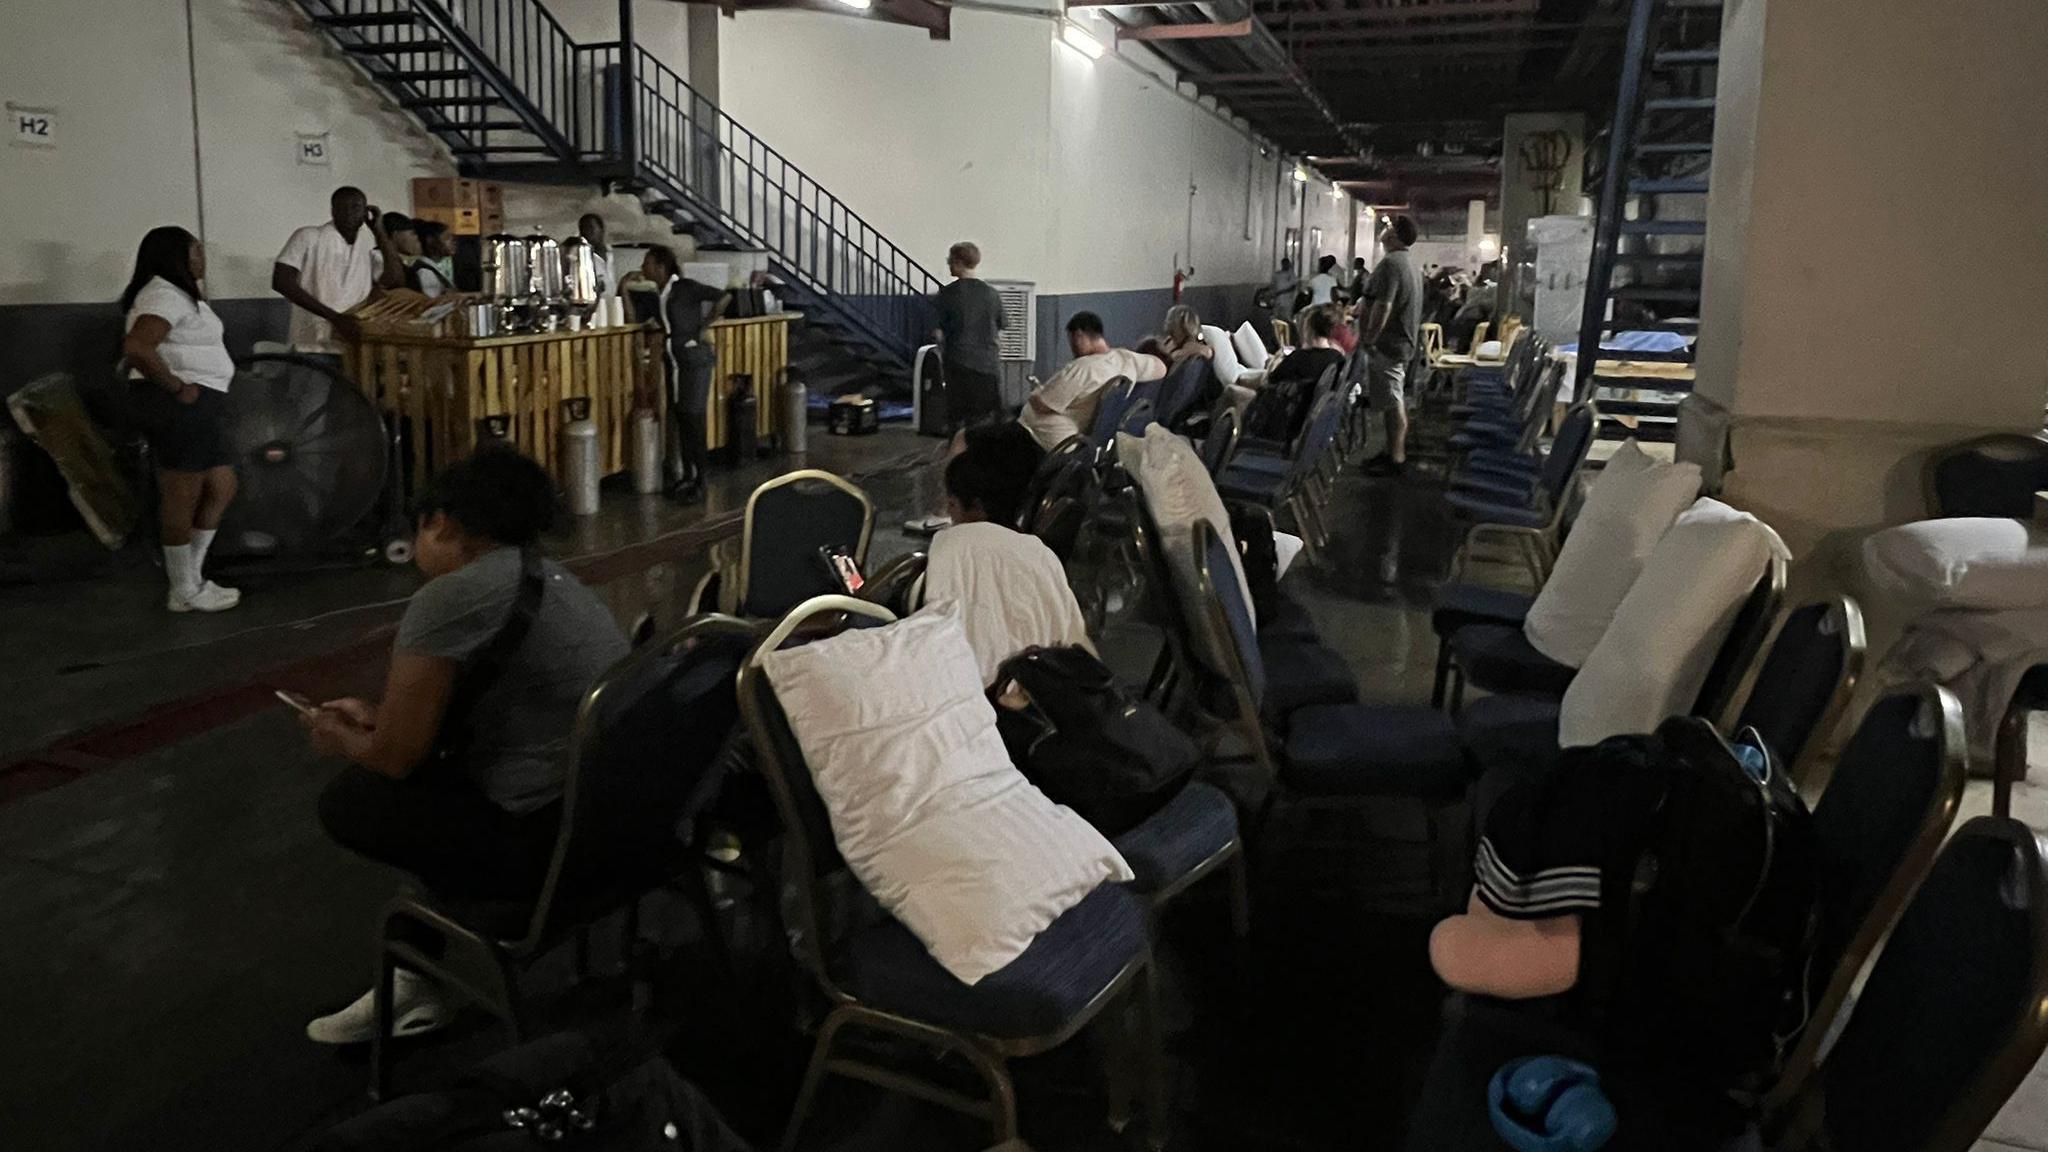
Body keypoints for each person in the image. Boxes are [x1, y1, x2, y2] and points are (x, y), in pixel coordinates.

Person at [301, 448, 629, 1044]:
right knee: (427, 785)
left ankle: (421, 972)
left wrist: (341, 736)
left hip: (546, 845)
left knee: (353, 801)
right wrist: (379, 719)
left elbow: (397, 757)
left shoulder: (451, 597)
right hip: (610, 816)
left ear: (441, 523)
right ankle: (418, 968)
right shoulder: (548, 577)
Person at [120, 225, 242, 613]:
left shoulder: (181, 296)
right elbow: (138, 347)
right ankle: (184, 590)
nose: (203, 257)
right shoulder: (163, 294)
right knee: (181, 496)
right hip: (179, 406)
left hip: (200, 405)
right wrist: (177, 387)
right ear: (178, 256)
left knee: (222, 485)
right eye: (196, 250)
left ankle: (192, 575)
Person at [929, 426, 1092, 687]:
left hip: (979, 691)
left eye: (952, 505)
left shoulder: (953, 548)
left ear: (976, 507)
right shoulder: (1040, 552)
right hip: (1050, 686)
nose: (949, 514)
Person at [273, 186, 404, 359]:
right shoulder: (308, 236)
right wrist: (335, 318)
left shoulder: (365, 247)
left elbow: (395, 280)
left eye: (355, 207)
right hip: (311, 346)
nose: (348, 212)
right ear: (332, 211)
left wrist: (379, 232)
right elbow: (281, 282)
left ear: (366, 213)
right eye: (341, 207)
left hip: (354, 344)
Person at [644, 245, 730, 500]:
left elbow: (724, 296)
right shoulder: (662, 293)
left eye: (647, 263)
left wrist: (704, 325)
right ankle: (688, 476)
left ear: (660, 267)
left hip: (694, 360)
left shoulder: (685, 287)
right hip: (676, 362)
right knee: (682, 417)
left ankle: (701, 481)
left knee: (694, 418)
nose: (643, 268)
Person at [1017, 311, 1166, 453]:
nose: (1072, 348)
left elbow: (1044, 405)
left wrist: (1037, 392)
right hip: (1090, 435)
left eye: (1071, 342)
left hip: (1044, 440)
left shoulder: (1082, 368)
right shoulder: (1127, 359)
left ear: (1079, 335)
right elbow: (1161, 368)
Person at [1355, 213, 1423, 476]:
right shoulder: (1409, 263)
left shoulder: (1391, 264)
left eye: (1388, 227)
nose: (1383, 229)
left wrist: (1369, 338)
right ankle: (1390, 450)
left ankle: (1396, 458)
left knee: (1393, 401)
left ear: (1394, 235)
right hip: (1401, 342)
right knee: (1390, 398)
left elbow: (1383, 306)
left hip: (1389, 344)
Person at [931, 241, 1006, 430]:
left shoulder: (947, 294)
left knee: (958, 421)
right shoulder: (992, 294)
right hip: (988, 366)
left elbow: (938, 334)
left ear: (958, 262)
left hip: (958, 366)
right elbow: (1000, 328)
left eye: (950, 261)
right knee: (987, 423)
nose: (948, 264)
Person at [406, 221, 458, 298]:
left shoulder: (433, 268)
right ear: (430, 240)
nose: (454, 242)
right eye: (446, 238)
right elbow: (431, 303)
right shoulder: (425, 272)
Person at [577, 212, 618, 298]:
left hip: (614, 302)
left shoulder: (612, 253)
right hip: (594, 303)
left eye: (591, 228)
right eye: (583, 230)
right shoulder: (581, 259)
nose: (587, 233)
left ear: (602, 230)